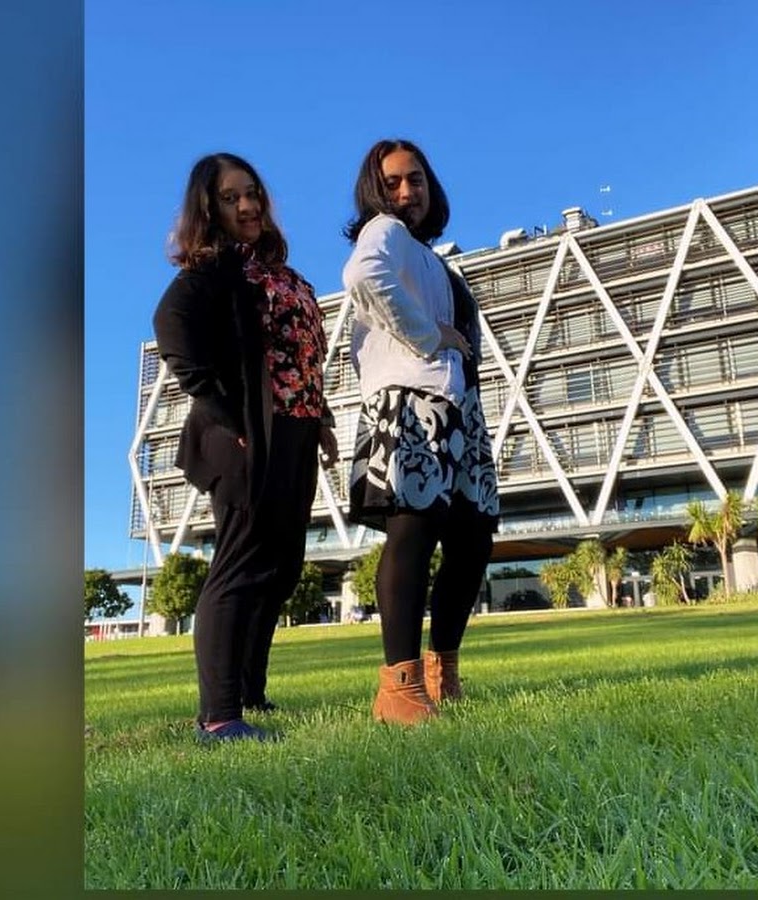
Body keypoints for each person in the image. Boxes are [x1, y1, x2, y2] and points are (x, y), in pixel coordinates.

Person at [153, 152, 338, 742]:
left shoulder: (274, 269)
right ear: (209, 209)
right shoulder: (216, 266)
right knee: (238, 567)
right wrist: (221, 411)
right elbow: (171, 325)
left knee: (280, 568)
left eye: (252, 193)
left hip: (296, 429)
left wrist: (322, 418)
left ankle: (251, 694)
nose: (248, 206)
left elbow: (299, 353)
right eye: (231, 198)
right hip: (250, 436)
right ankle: (219, 715)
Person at [342, 139, 500, 725]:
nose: (407, 192)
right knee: (412, 533)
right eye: (392, 182)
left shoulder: (430, 257)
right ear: (375, 191)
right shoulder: (383, 232)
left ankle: (441, 671)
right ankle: (400, 687)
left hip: (458, 409)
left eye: (416, 180)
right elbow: (363, 274)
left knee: (473, 539)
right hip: (409, 399)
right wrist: (429, 336)